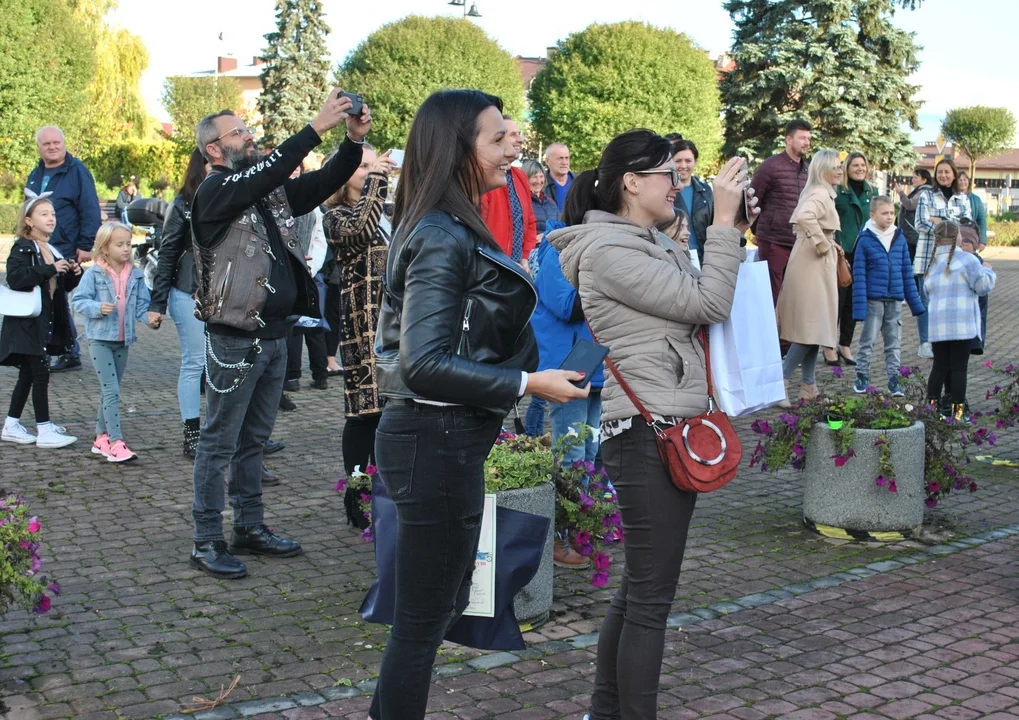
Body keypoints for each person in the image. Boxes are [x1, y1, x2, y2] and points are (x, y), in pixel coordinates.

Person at [369, 89, 588, 719]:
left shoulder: (446, 221)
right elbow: (423, 362)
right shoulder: (440, 231)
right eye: (497, 138)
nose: (512, 145)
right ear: (458, 148)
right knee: (422, 622)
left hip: (443, 440)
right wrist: (528, 385)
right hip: (432, 439)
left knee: (431, 612)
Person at [548, 128, 750, 720]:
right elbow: (708, 304)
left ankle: (604, 712)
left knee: (639, 591)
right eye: (669, 174)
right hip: (645, 431)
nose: (677, 185)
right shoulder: (611, 253)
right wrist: (725, 226)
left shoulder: (646, 241)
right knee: (650, 601)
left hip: (660, 422)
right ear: (632, 183)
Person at [188, 91, 370, 580]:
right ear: (214, 149)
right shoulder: (216, 192)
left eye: (247, 129)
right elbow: (268, 172)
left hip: (274, 335)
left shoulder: (264, 192)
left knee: (255, 440)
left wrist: (352, 143)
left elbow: (320, 182)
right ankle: (207, 538)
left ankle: (249, 526)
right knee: (218, 441)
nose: (250, 135)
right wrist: (315, 127)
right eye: (238, 132)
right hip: (235, 338)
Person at [322, 143, 395, 522]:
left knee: (389, 414)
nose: (371, 170)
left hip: (395, 327)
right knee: (363, 412)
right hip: (361, 327)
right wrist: (379, 179)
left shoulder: (387, 212)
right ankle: (357, 498)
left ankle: (384, 495)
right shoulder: (335, 217)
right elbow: (360, 226)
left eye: (374, 164)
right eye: (363, 165)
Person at [531, 217, 603, 568]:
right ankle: (558, 537)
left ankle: (582, 528)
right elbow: (566, 305)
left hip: (597, 365)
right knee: (571, 454)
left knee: (591, 452)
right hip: (569, 367)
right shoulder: (556, 251)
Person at [1, 191, 81, 448]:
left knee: (28, 374)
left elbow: (60, 287)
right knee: (40, 374)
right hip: (26, 323)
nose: (51, 219)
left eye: (53, 214)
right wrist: (50, 269)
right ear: (28, 221)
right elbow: (15, 277)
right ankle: (44, 429)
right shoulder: (23, 247)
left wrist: (73, 274)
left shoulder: (50, 248)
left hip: (41, 322)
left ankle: (11, 424)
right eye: (44, 214)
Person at [72, 222, 157, 462]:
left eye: (128, 244)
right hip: (100, 340)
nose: (126, 249)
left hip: (123, 341)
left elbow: (142, 306)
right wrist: (98, 308)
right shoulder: (94, 273)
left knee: (110, 390)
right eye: (119, 244)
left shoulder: (137, 275)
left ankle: (100, 438)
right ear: (105, 247)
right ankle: (116, 442)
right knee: (112, 390)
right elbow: (78, 301)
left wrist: (150, 318)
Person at [25, 125, 103, 373]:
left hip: (66, 246)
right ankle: (52, 348)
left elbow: (89, 208)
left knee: (57, 296)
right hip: (39, 246)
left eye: (56, 142)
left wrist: (86, 244)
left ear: (64, 143)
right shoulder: (35, 174)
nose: (52, 147)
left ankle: (68, 350)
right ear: (39, 147)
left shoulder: (77, 171)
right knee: (46, 298)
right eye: (47, 144)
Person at [147, 149, 208, 458]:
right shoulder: (183, 204)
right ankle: (191, 434)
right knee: (195, 361)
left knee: (225, 364)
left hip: (225, 292)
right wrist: (157, 303)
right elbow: (167, 252)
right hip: (187, 290)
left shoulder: (232, 196)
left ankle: (229, 433)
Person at [776, 149, 843, 403]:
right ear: (822, 168)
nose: (839, 170)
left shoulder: (822, 192)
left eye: (840, 166)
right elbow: (805, 216)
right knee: (812, 328)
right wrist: (822, 243)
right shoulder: (819, 193)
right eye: (834, 166)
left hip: (814, 264)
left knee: (817, 329)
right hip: (811, 264)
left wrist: (827, 244)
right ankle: (781, 380)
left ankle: (809, 387)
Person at [851, 197, 926, 396]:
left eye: (892, 213)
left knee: (893, 343)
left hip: (895, 301)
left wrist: (915, 304)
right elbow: (858, 275)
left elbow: (906, 273)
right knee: (867, 341)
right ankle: (862, 376)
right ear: (872, 215)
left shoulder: (899, 238)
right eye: (884, 213)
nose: (889, 217)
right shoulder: (865, 240)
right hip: (873, 301)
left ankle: (894, 380)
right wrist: (859, 308)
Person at [924, 221, 995, 422]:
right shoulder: (969, 260)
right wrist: (988, 270)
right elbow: (982, 287)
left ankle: (931, 411)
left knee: (939, 367)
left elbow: (926, 292)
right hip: (962, 325)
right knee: (958, 369)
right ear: (958, 237)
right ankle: (958, 414)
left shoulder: (931, 263)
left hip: (938, 326)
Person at [912, 158, 972, 359]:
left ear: (954, 174)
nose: (943, 175)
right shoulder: (926, 195)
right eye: (940, 172)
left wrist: (939, 222)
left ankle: (943, 341)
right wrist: (948, 227)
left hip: (953, 259)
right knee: (925, 301)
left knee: (947, 301)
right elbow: (920, 223)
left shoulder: (962, 198)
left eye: (947, 172)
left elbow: (966, 226)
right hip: (927, 257)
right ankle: (924, 342)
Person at [749, 118, 812, 304]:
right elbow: (753, 200)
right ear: (788, 140)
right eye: (802, 138)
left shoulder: (808, 171)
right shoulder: (771, 166)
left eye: (808, 138)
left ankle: (786, 334)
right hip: (774, 242)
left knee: (792, 301)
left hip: (799, 244)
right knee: (771, 298)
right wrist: (759, 232)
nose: (806, 142)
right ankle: (768, 334)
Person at [829, 151, 877, 366]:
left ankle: (845, 344)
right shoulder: (838, 192)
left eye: (863, 165)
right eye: (855, 165)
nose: (860, 169)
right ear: (847, 168)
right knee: (837, 301)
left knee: (854, 302)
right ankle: (829, 345)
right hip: (842, 252)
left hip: (863, 253)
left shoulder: (871, 192)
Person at [480, 116, 537, 268]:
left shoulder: (520, 176)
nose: (520, 139)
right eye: (513, 135)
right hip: (491, 267)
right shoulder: (487, 178)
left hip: (516, 267)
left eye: (519, 134)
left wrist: (525, 257)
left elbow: (530, 220)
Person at [668, 136, 714, 263]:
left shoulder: (706, 191)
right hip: (677, 258)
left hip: (705, 258)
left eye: (688, 161)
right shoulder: (665, 191)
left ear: (695, 162)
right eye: (678, 161)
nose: (683, 166)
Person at [897, 167, 933, 262]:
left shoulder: (923, 192)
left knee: (910, 261)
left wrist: (901, 193)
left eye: (915, 178)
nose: (913, 180)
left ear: (924, 180)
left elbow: (910, 205)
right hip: (911, 233)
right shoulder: (920, 191)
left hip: (913, 234)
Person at [522, 159, 560, 234]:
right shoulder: (521, 202)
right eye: (534, 177)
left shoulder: (551, 203)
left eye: (541, 176)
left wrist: (546, 236)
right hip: (532, 245)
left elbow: (559, 227)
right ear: (525, 178)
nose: (539, 181)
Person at [957, 170, 987, 249]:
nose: (962, 182)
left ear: (968, 182)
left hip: (971, 238)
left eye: (964, 179)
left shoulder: (976, 200)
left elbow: (982, 221)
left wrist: (982, 241)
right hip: (955, 238)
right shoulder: (951, 198)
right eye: (960, 180)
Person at [544, 143, 573, 211]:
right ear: (547, 161)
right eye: (560, 158)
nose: (564, 162)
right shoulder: (541, 185)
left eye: (566, 158)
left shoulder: (579, 182)